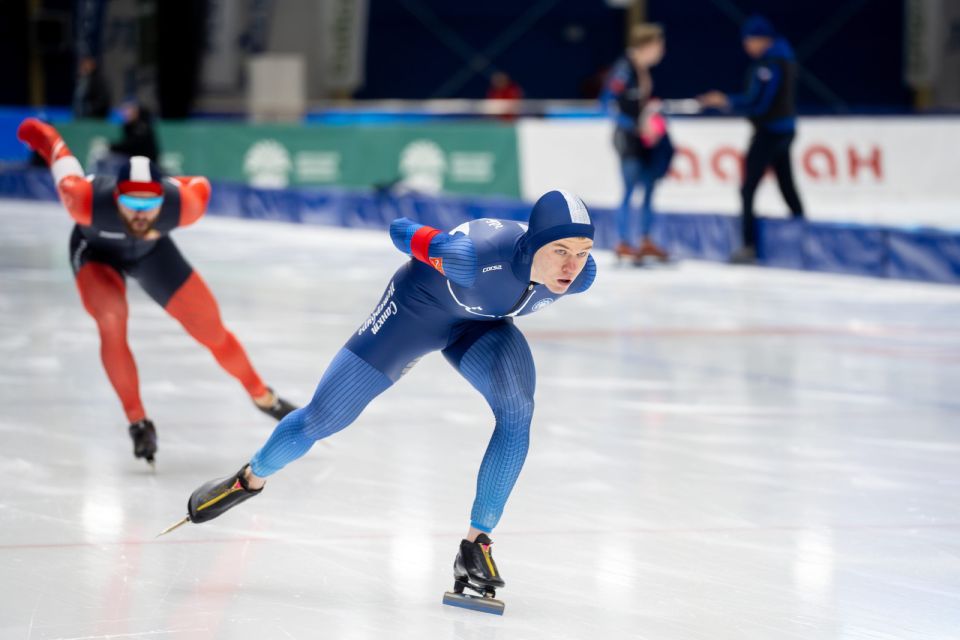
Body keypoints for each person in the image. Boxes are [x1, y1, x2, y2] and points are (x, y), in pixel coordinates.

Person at [175, 190, 597, 614]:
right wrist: (437, 245)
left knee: (518, 411)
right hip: (413, 315)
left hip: (480, 327)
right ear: (532, 244)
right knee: (323, 419)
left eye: (581, 252)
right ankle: (249, 478)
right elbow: (399, 230)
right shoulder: (475, 256)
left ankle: (475, 545)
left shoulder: (581, 275)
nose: (570, 265)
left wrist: (567, 259)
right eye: (560, 249)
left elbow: (555, 273)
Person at [16, 118, 296, 466]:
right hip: (95, 254)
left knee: (211, 329)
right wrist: (42, 134)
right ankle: (138, 421)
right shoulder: (83, 199)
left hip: (151, 254)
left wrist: (167, 187)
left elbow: (200, 184)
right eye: (131, 206)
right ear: (114, 197)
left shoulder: (183, 205)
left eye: (149, 207)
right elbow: (60, 155)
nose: (140, 216)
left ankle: (262, 396)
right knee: (112, 318)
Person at [698, 15, 805, 264]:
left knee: (748, 188)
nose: (746, 46)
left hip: (770, 132)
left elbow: (760, 104)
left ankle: (748, 245)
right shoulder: (782, 59)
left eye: (749, 40)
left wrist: (726, 101)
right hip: (783, 130)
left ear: (761, 39)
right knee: (786, 184)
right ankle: (804, 234)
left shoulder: (771, 64)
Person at [601, 23, 675, 264]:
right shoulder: (624, 68)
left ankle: (645, 240)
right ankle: (622, 241)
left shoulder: (642, 69)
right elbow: (607, 103)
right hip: (629, 140)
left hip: (644, 139)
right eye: (659, 45)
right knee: (630, 189)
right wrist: (633, 125)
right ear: (648, 45)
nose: (662, 50)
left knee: (650, 188)